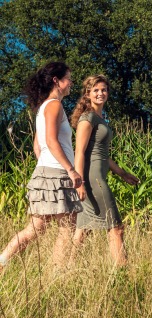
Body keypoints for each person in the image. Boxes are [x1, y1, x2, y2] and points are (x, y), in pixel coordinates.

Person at [0, 61, 83, 273]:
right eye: (69, 78)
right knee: (67, 228)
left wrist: (46, 167)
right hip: (58, 173)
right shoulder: (54, 105)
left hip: (46, 172)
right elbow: (51, 141)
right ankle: (56, 273)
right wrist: (70, 169)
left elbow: (38, 145)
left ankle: (2, 261)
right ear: (57, 80)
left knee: (36, 228)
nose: (71, 83)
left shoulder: (43, 107)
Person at [70, 75, 138, 267]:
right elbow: (80, 152)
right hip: (92, 180)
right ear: (88, 93)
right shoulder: (88, 118)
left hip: (97, 176)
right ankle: (123, 272)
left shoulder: (100, 118)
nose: (101, 93)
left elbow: (103, 155)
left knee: (83, 229)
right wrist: (80, 182)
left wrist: (122, 173)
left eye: (104, 90)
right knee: (116, 228)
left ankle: (66, 271)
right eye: (96, 90)